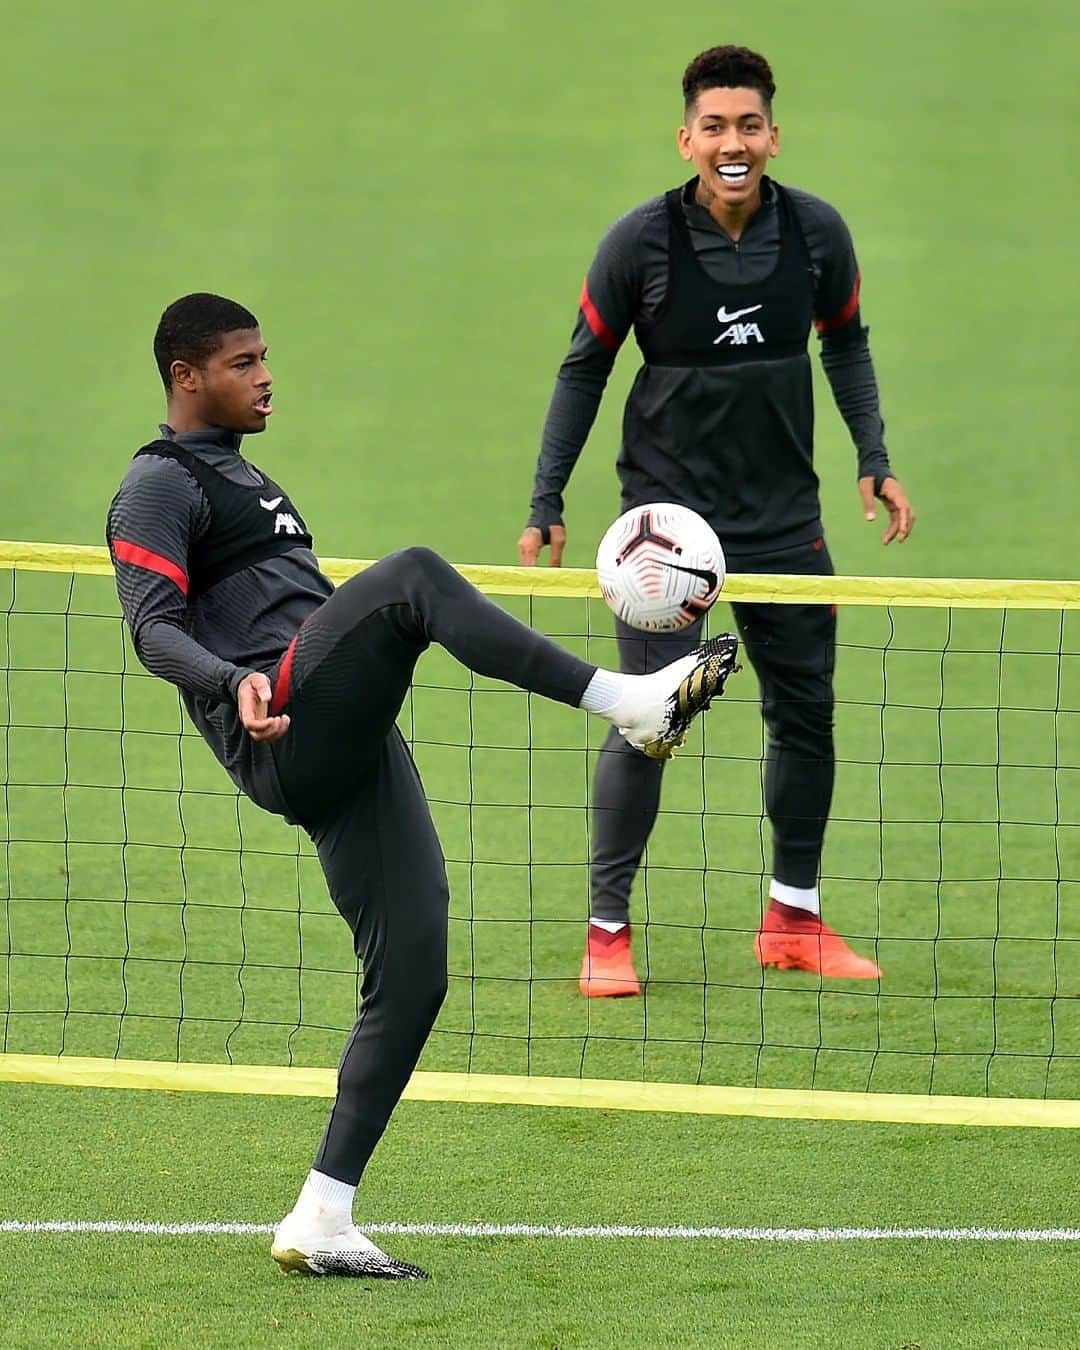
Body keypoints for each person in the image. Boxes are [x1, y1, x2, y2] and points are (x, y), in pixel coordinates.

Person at [105, 293, 739, 1279]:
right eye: (243, 361)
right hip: (284, 721)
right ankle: (629, 703)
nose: (266, 374)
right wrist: (232, 680)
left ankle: (322, 1215)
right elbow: (152, 628)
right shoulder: (158, 482)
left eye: (265, 355)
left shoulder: (245, 477)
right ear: (187, 377)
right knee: (410, 579)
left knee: (414, 972)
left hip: (339, 738)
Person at [518, 45, 916, 998]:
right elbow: (585, 368)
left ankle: (794, 918)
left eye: (749, 125)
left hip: (784, 523)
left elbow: (847, 344)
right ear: (686, 138)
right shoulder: (638, 243)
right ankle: (606, 935)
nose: (731, 143)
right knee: (647, 721)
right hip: (666, 533)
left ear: (773, 136)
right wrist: (547, 499)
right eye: (714, 126)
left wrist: (875, 456)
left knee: (806, 715)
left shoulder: (817, 235)